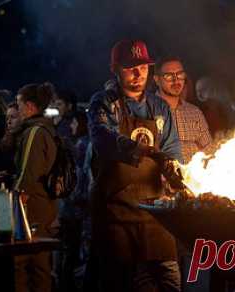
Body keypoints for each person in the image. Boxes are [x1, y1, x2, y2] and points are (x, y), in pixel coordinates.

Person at [88, 39, 182, 292]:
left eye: (143, 66)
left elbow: (173, 149)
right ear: (116, 69)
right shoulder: (104, 103)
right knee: (121, 283)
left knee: (170, 281)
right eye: (130, 68)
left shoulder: (159, 106)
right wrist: (142, 150)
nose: (138, 73)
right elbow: (102, 138)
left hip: (156, 214)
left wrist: (173, 167)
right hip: (115, 212)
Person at [13, 82, 58, 292]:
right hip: (45, 204)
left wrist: (14, 202)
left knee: (23, 264)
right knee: (40, 265)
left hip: (32, 207)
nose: (17, 108)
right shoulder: (47, 129)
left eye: (19, 103)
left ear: (30, 106)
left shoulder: (34, 132)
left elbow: (28, 174)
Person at [154, 56, 212, 163]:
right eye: (169, 76)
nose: (176, 80)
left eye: (180, 74)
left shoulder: (194, 112)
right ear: (157, 80)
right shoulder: (147, 110)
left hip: (193, 176)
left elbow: (208, 148)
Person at [58, 111, 91, 292]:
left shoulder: (82, 144)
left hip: (78, 210)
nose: (71, 126)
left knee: (73, 254)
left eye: (74, 123)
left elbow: (79, 178)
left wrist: (71, 198)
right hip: (81, 208)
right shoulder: (86, 142)